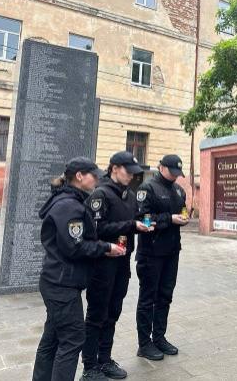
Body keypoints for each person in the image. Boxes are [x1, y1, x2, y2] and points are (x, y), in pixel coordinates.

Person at [32, 157, 126, 381]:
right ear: (79, 176)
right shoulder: (69, 205)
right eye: (93, 176)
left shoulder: (69, 200)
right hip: (62, 284)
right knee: (73, 338)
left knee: (53, 338)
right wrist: (106, 247)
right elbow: (75, 246)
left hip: (58, 281)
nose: (97, 180)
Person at [80, 152, 151, 380]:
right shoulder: (100, 194)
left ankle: (105, 359)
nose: (131, 176)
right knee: (96, 315)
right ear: (114, 168)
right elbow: (96, 229)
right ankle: (89, 367)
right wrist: (131, 225)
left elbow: (134, 220)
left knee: (113, 312)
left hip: (122, 261)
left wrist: (142, 224)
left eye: (133, 173)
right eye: (128, 171)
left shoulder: (129, 195)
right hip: (102, 263)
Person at [135, 154, 188, 361]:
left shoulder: (178, 190)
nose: (175, 176)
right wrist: (169, 219)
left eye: (177, 173)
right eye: (172, 172)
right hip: (151, 253)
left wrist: (183, 217)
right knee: (148, 298)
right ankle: (144, 343)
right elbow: (142, 219)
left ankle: (159, 337)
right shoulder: (147, 188)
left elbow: (182, 210)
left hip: (172, 252)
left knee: (165, 296)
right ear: (161, 167)